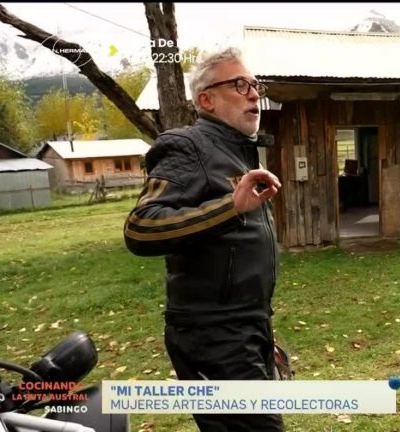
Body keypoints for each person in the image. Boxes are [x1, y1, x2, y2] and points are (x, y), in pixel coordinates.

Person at [123, 47, 284, 432]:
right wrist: (230, 207)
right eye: (240, 84)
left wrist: (262, 335)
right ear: (206, 99)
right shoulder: (188, 146)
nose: (253, 94)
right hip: (212, 336)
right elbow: (141, 228)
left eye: (255, 85)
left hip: (246, 329)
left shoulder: (239, 153)